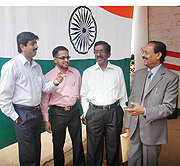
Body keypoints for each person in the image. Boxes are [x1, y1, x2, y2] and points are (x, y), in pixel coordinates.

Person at [0, 31, 63, 166]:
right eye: (33, 43)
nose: (36, 47)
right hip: (23, 114)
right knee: (28, 155)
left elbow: (45, 87)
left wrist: (55, 82)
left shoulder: (36, 66)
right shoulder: (11, 66)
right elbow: (3, 97)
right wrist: (16, 117)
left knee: (36, 150)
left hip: (36, 113)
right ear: (22, 46)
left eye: (36, 43)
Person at [125, 41, 179, 166]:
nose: (143, 55)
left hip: (152, 129)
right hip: (134, 127)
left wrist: (144, 111)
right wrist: (128, 124)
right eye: (143, 52)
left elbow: (168, 107)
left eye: (147, 53)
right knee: (133, 161)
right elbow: (131, 100)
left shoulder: (171, 78)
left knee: (150, 162)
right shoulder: (139, 74)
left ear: (158, 55)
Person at [81, 40, 128, 166]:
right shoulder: (88, 72)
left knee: (113, 146)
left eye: (102, 51)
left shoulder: (117, 70)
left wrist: (122, 109)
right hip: (94, 113)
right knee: (94, 147)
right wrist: (87, 112)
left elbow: (123, 92)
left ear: (109, 54)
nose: (98, 54)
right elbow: (84, 95)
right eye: (96, 52)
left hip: (114, 113)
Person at [41, 46, 85, 166]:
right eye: (62, 58)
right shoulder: (49, 77)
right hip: (58, 114)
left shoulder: (75, 73)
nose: (66, 60)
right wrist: (46, 120)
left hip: (74, 111)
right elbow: (45, 100)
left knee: (77, 142)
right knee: (58, 144)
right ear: (55, 59)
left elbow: (81, 95)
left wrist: (85, 111)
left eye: (68, 57)